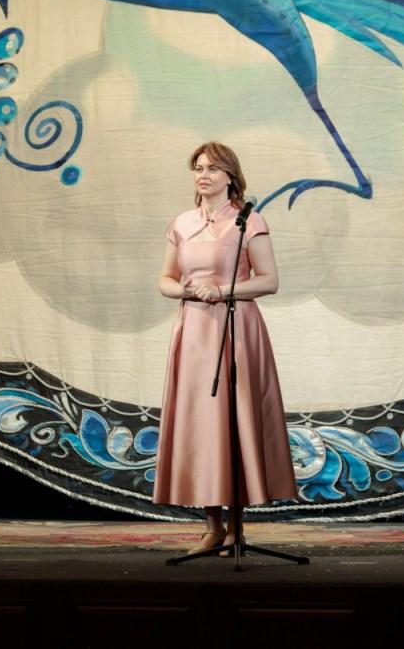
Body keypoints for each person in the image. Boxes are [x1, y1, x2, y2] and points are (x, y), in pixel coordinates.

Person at [153, 142, 297, 554]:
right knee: (201, 423)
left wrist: (222, 291)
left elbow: (269, 280)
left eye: (213, 169)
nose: (204, 175)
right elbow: (165, 279)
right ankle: (211, 526)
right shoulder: (181, 224)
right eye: (198, 168)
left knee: (235, 420)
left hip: (237, 327)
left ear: (231, 177)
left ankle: (237, 527)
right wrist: (187, 291)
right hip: (194, 330)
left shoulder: (248, 221)